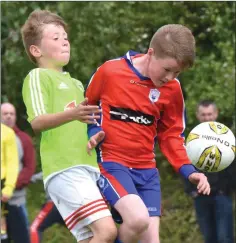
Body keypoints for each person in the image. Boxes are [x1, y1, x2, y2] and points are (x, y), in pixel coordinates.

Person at [85, 24, 211, 243]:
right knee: (137, 219)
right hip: (113, 163)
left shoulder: (173, 90)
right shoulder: (110, 71)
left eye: (177, 72)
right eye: (167, 69)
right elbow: (88, 107)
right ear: (151, 53)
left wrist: (189, 171)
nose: (170, 77)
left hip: (147, 172)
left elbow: (171, 135)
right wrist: (94, 131)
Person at [21, 10, 117, 243]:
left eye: (65, 36)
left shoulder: (74, 82)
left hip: (86, 168)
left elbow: (82, 124)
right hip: (65, 170)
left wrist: (95, 136)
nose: (64, 40)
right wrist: (72, 114)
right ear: (36, 50)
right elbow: (37, 122)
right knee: (108, 232)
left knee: (90, 238)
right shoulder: (38, 76)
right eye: (55, 37)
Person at [183, 100, 235, 243]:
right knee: (209, 237)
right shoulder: (193, 138)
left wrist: (228, 188)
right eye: (203, 115)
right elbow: (184, 163)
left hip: (222, 195)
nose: (207, 118)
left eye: (210, 114)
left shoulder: (227, 137)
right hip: (200, 196)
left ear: (216, 114)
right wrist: (191, 191)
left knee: (225, 237)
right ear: (198, 116)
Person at [1, 102, 36, 243]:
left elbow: (29, 167)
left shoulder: (24, 139)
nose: (8, 116)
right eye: (5, 113)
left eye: (11, 113)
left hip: (16, 198)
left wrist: (10, 185)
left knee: (21, 237)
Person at [30, 172, 65, 243]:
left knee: (34, 229)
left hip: (53, 205)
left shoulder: (51, 166)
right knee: (86, 231)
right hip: (73, 206)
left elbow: (33, 178)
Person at [1, 123, 19, 243]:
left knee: (2, 225)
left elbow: (12, 162)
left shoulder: (7, 132)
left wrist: (9, 187)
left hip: (1, 183)